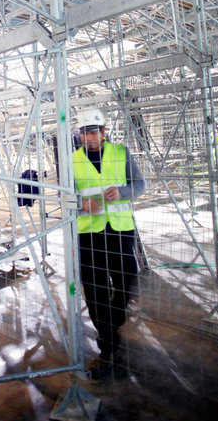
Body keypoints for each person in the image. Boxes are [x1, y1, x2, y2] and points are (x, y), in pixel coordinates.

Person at [72, 107, 145, 378]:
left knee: (126, 282)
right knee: (95, 291)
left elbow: (140, 184)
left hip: (120, 230)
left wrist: (123, 192)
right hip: (89, 233)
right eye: (83, 133)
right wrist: (81, 203)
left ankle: (112, 324)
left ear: (103, 133)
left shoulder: (121, 153)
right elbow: (63, 195)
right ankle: (107, 346)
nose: (88, 137)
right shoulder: (72, 160)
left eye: (93, 132)